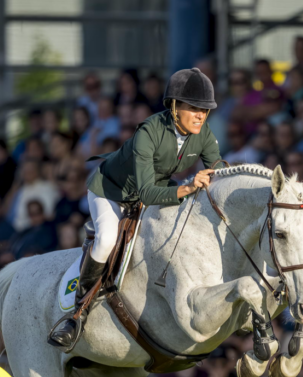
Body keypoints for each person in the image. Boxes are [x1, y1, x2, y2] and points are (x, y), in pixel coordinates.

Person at [49, 68, 222, 349]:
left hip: (156, 190)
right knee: (106, 241)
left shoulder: (202, 133)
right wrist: (190, 187)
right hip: (112, 192)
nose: (201, 115)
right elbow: (146, 193)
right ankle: (77, 313)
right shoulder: (148, 132)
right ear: (175, 107)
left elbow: (217, 169)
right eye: (194, 108)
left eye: (205, 109)